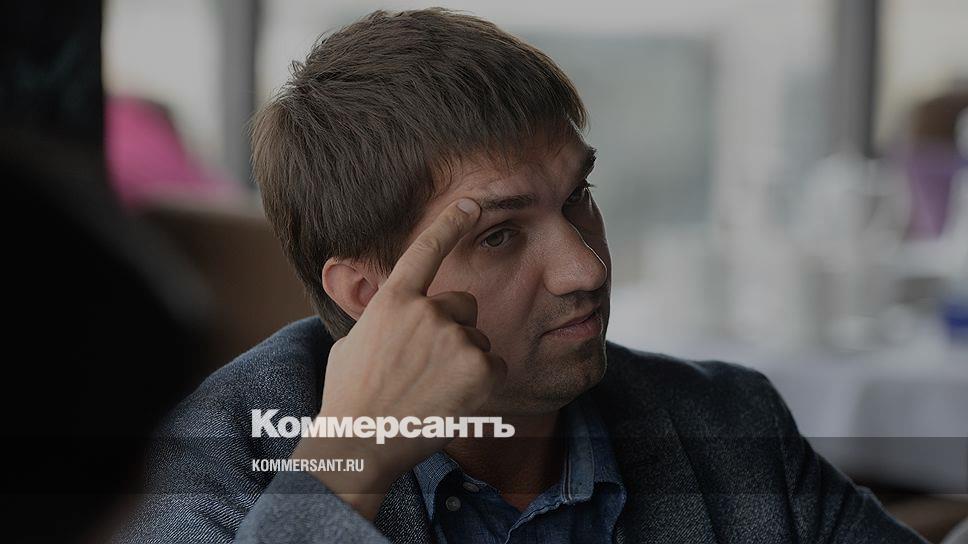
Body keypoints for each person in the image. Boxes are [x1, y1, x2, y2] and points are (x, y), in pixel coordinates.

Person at [118, 8, 927, 543]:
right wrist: (348, 468)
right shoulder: (210, 463)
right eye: (499, 235)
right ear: (368, 295)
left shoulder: (728, 424)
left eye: (578, 198)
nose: (585, 266)